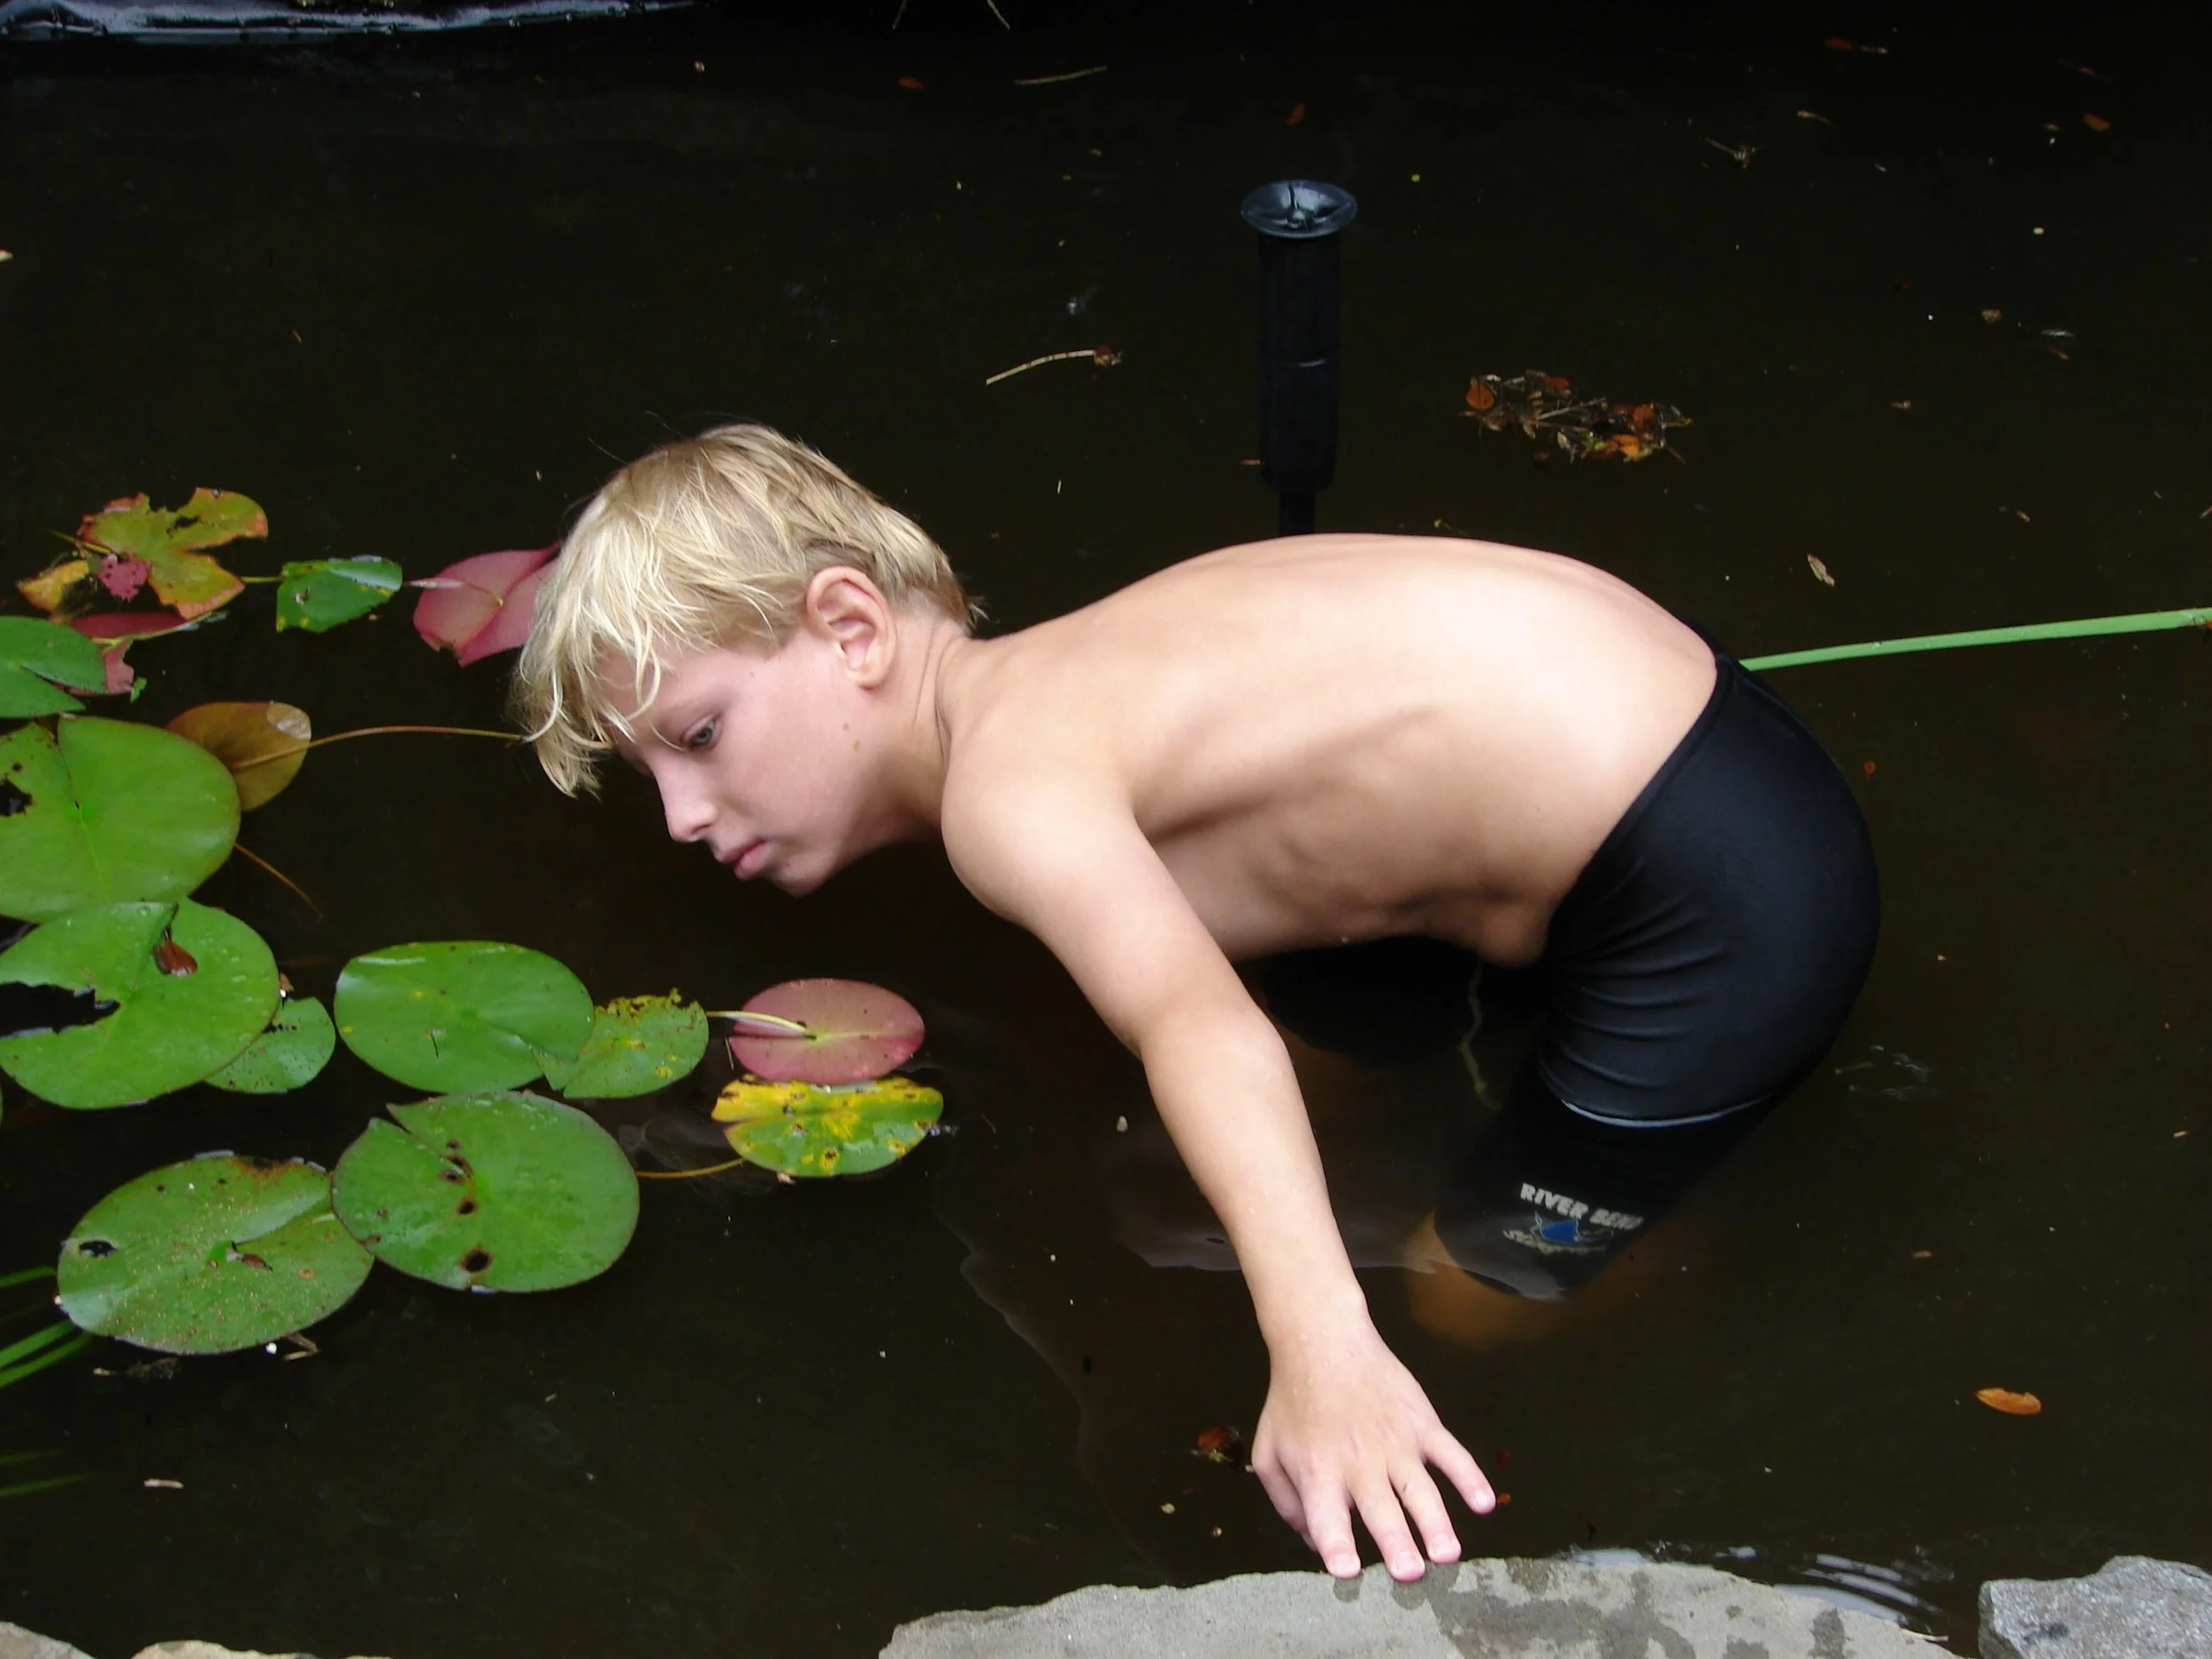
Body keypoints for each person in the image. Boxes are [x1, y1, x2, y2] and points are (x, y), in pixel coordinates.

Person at [511, 423, 1879, 1583]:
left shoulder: (1006, 789)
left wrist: (1322, 1346)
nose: (683, 816)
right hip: (1577, 795)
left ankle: (1688, 1240)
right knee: (1263, 1122)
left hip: (1718, 890)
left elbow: (1197, 1024)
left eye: (698, 736)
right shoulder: (1058, 678)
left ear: (852, 626)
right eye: (655, 776)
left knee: (1472, 1295)